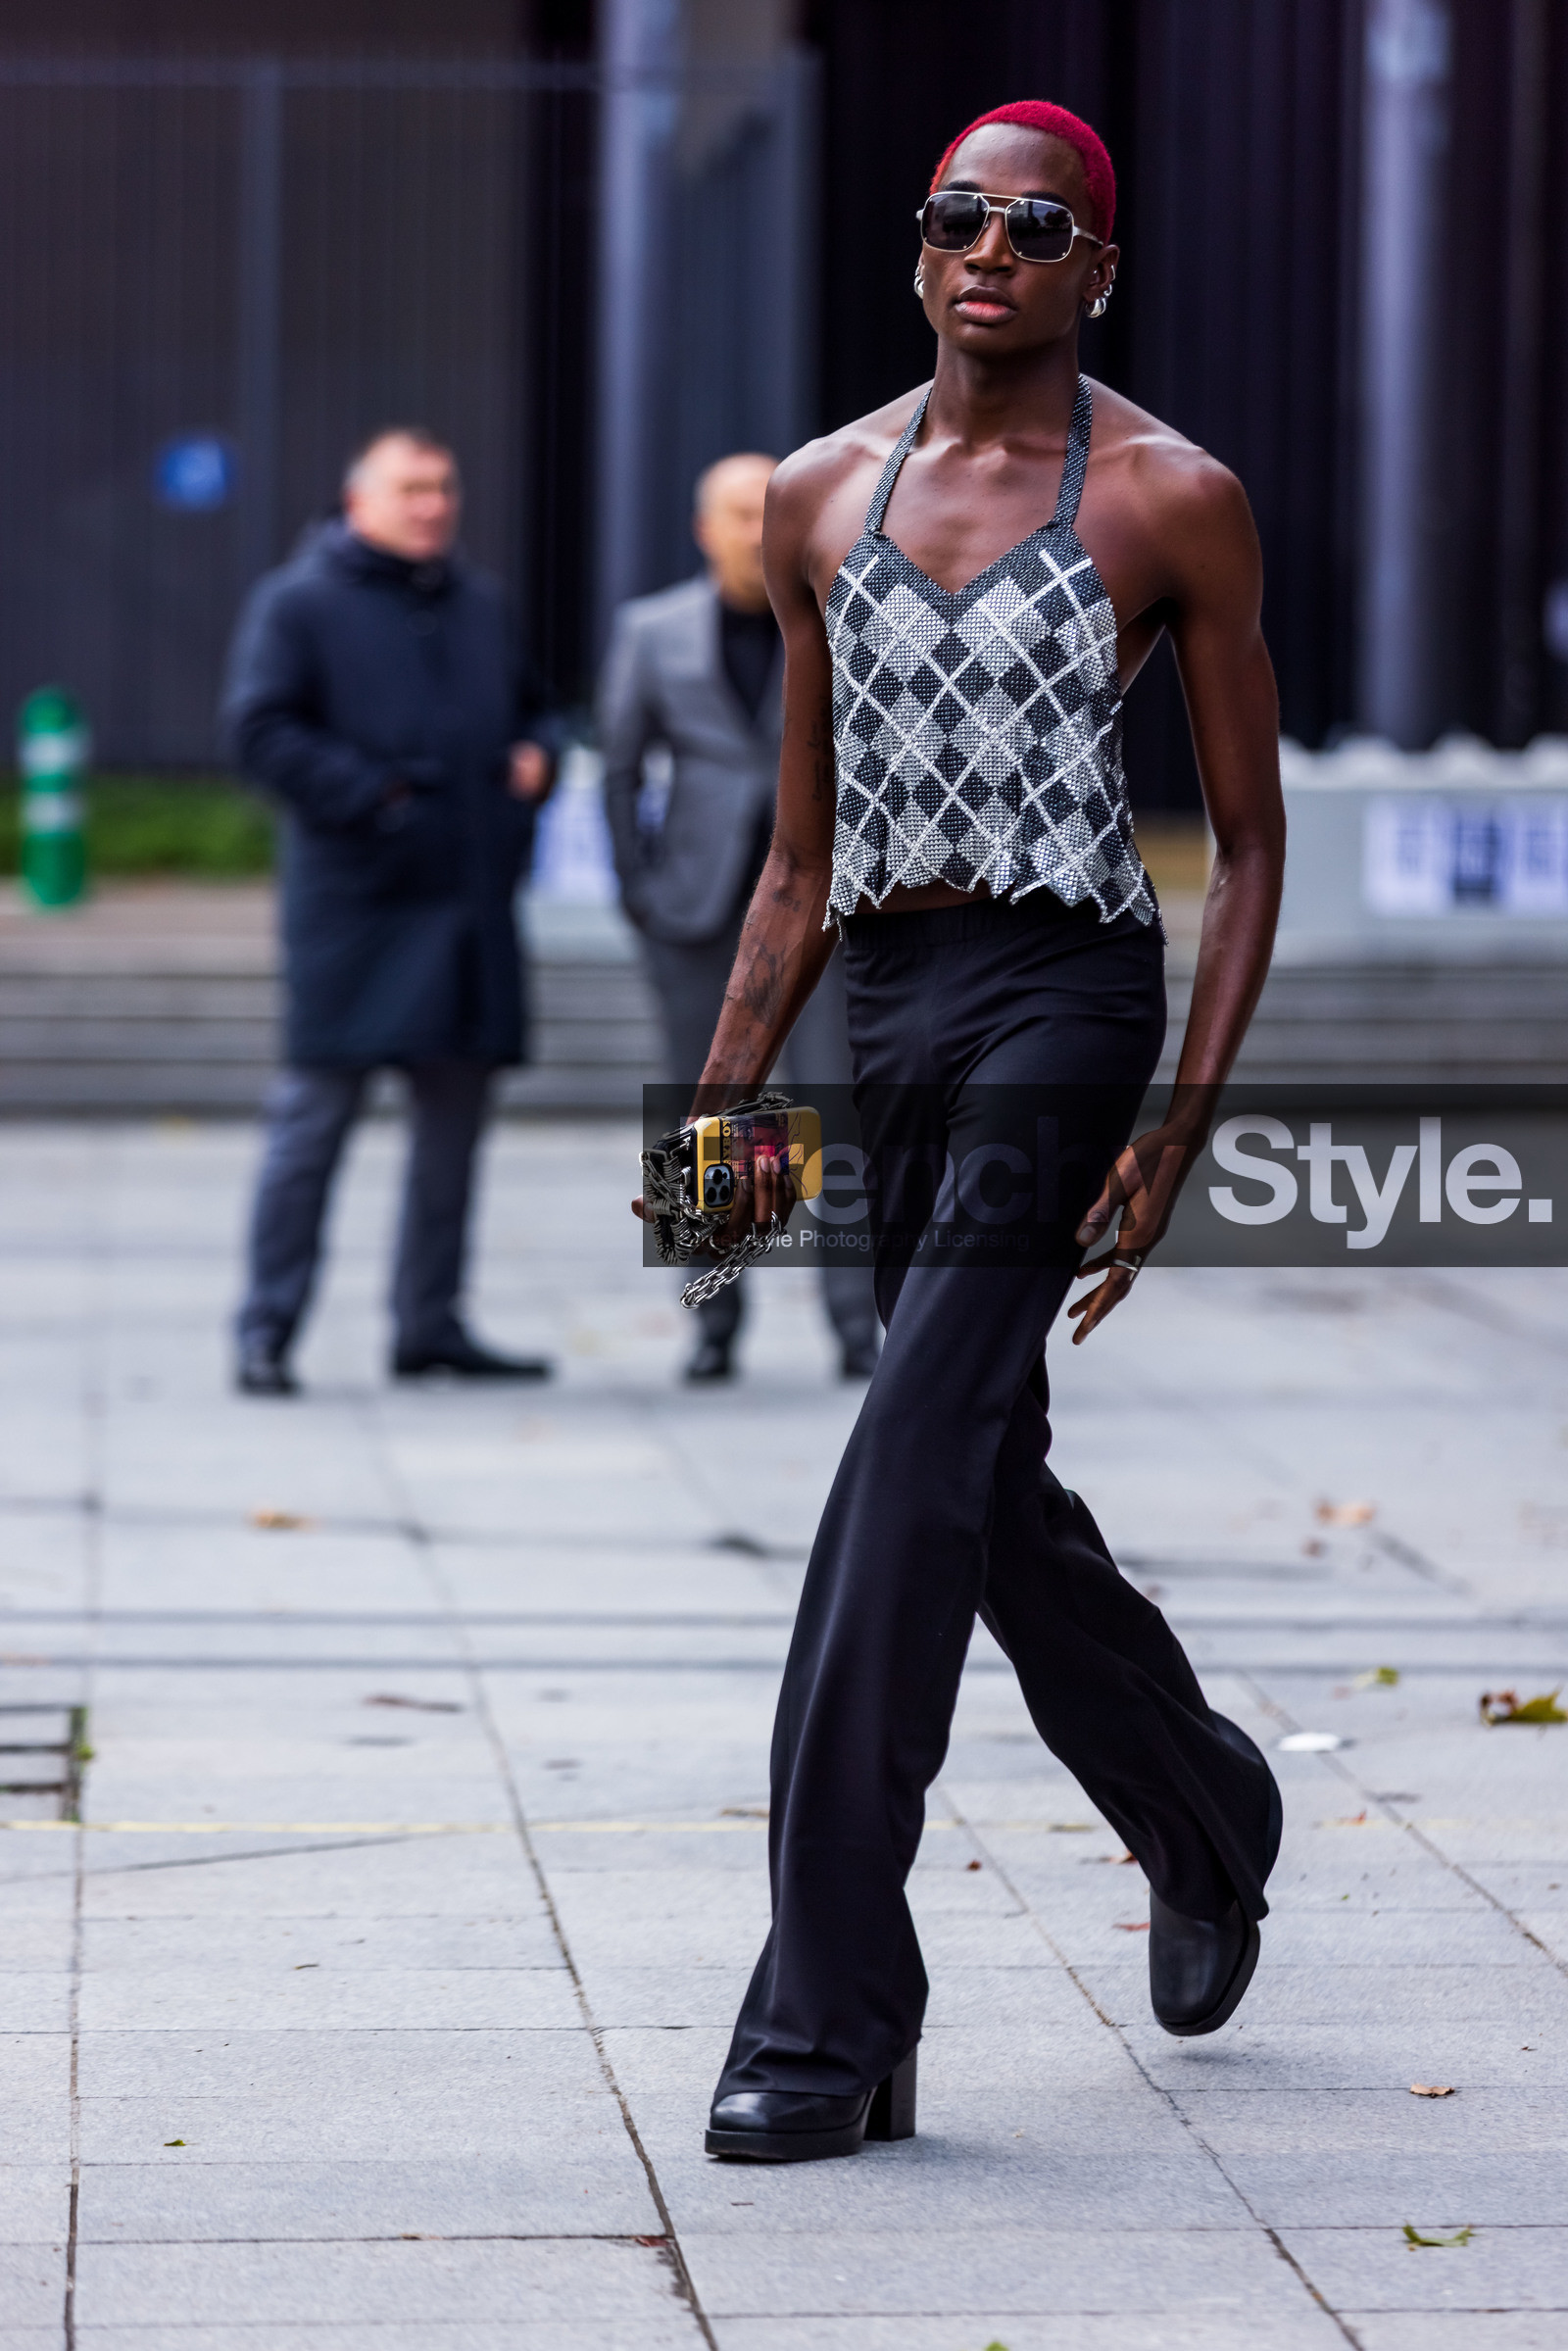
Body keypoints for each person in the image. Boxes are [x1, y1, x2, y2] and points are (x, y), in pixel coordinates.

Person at [634, 100, 1288, 2162]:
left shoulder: (1170, 496)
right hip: (888, 1009)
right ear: (913, 253)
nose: (984, 248)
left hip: (1062, 1002)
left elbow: (1247, 841)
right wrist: (712, 1143)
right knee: (979, 1479)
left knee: (903, 1453)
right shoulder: (818, 494)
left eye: (1033, 222)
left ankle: (828, 2013)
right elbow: (796, 855)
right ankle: (1202, 1802)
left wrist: (1174, 1130)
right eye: (952, 217)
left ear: (1095, 261)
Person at [224, 427, 562, 1396]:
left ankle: (431, 1324)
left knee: (455, 1129)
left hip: (469, 906)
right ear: (356, 498)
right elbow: (258, 729)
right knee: (313, 1121)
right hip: (357, 909)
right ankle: (267, 1327)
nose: (434, 505)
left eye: (445, 486)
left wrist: (534, 755)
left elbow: (534, 706)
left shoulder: (479, 601)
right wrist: (377, 797)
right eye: (412, 488)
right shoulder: (298, 602)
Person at [600, 454, 880, 1382]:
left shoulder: (847, 616)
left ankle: (856, 1325)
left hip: (828, 909)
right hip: (698, 908)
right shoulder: (651, 631)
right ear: (702, 528)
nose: (756, 529)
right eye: (735, 511)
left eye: (771, 510)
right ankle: (713, 1322)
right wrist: (638, 889)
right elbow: (618, 768)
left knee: (835, 1108)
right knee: (710, 1116)